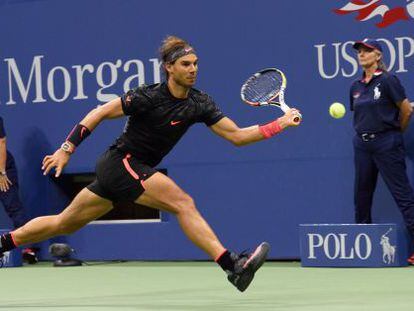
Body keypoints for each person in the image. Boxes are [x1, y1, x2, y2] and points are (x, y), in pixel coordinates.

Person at [0, 36, 300, 290]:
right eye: (185, 64)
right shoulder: (147, 96)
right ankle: (231, 265)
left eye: (195, 63)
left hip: (127, 171)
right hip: (121, 162)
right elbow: (100, 112)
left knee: (63, 222)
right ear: (169, 67)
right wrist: (67, 148)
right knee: (183, 202)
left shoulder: (200, 103)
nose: (193, 69)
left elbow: (237, 136)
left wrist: (281, 124)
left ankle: (3, 242)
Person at [350, 39, 414, 264]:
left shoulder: (388, 80)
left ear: (378, 56)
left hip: (387, 143)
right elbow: (359, 115)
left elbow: (406, 110)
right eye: (359, 51)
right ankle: (362, 246)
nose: (362, 54)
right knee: (362, 195)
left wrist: (394, 132)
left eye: (367, 51)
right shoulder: (355, 86)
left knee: (403, 195)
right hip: (362, 146)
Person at [0, 117, 38, 264]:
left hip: (2, 169)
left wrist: (1, 171)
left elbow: (1, 142)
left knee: (14, 207)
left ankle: (27, 249)